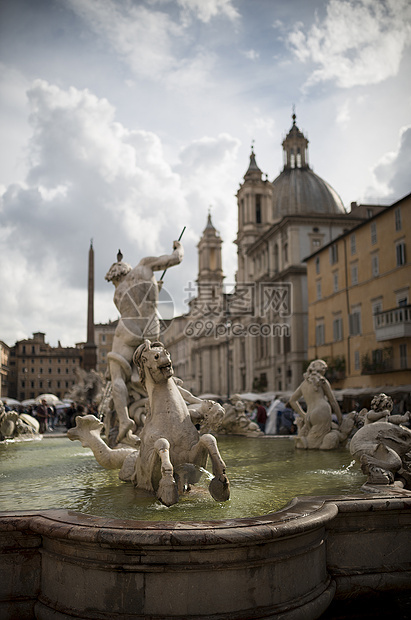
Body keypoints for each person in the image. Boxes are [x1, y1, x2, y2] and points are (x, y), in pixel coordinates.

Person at [105, 241, 184, 443]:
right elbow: (176, 259)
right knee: (156, 373)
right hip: (150, 327)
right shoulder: (145, 266)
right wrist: (178, 247)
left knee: (116, 376)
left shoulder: (117, 292)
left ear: (115, 277)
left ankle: (124, 422)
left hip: (128, 329)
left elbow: (130, 306)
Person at [289, 359, 342, 449]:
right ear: (321, 370)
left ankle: (304, 451)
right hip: (322, 410)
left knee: (310, 441)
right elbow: (332, 401)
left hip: (309, 413)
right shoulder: (322, 381)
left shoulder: (303, 384)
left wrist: (303, 415)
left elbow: (292, 400)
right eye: (325, 369)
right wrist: (340, 419)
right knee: (316, 444)